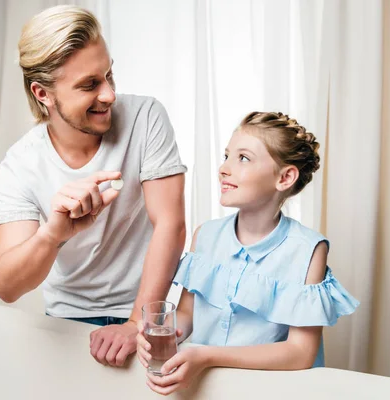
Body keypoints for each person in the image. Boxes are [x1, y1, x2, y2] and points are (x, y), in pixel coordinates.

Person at [0, 5, 187, 367]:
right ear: (43, 93)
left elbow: (170, 225)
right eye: (90, 84)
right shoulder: (20, 165)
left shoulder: (146, 117)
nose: (109, 94)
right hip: (67, 326)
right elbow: (6, 286)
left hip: (149, 316)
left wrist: (136, 323)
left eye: (109, 75)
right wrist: (53, 234)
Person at [136, 112, 359, 395]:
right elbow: (186, 315)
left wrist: (207, 356)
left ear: (285, 177)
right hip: (204, 389)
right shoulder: (205, 235)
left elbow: (300, 352)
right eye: (226, 156)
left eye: (243, 158)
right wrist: (156, 334)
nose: (224, 169)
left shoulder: (309, 250)